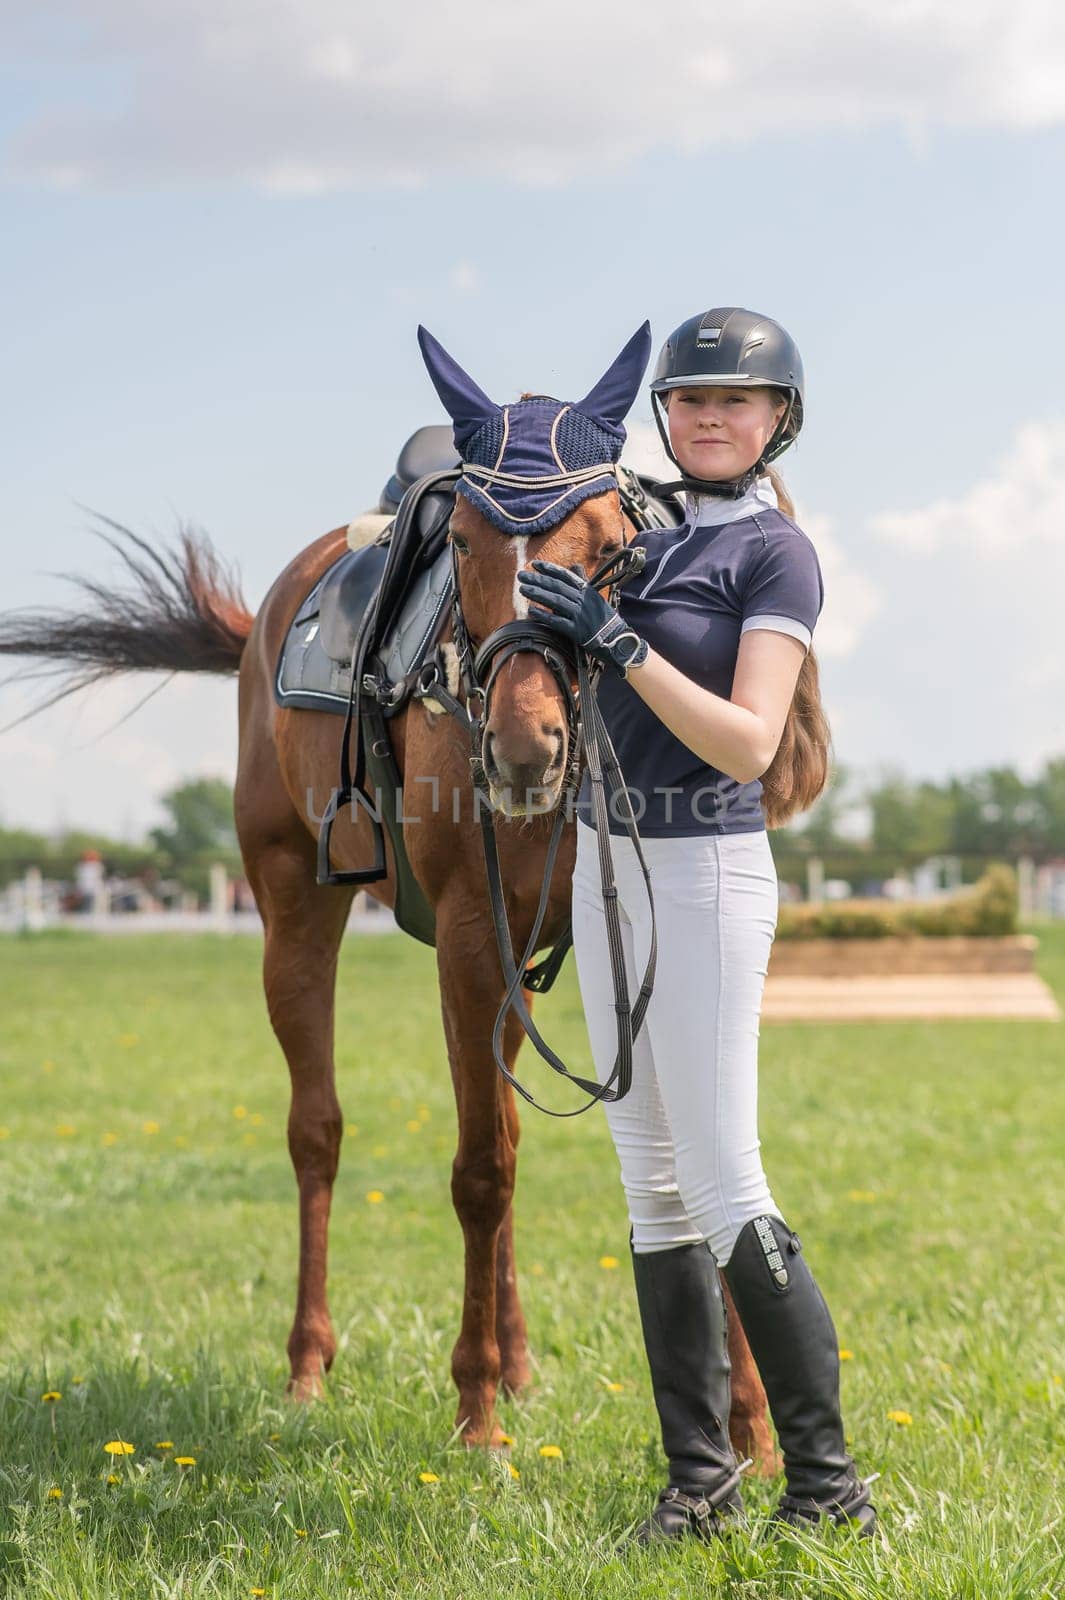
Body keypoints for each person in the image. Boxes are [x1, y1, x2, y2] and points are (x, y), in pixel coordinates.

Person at [516, 307, 876, 1544]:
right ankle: (699, 1481)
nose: (709, 416)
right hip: (604, 870)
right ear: (663, 414)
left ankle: (830, 1489)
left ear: (778, 417)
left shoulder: (775, 555)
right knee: (652, 1192)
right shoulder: (646, 534)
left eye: (736, 400)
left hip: (706, 872)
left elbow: (750, 738)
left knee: (725, 1181)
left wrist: (613, 644)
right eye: (689, 399)